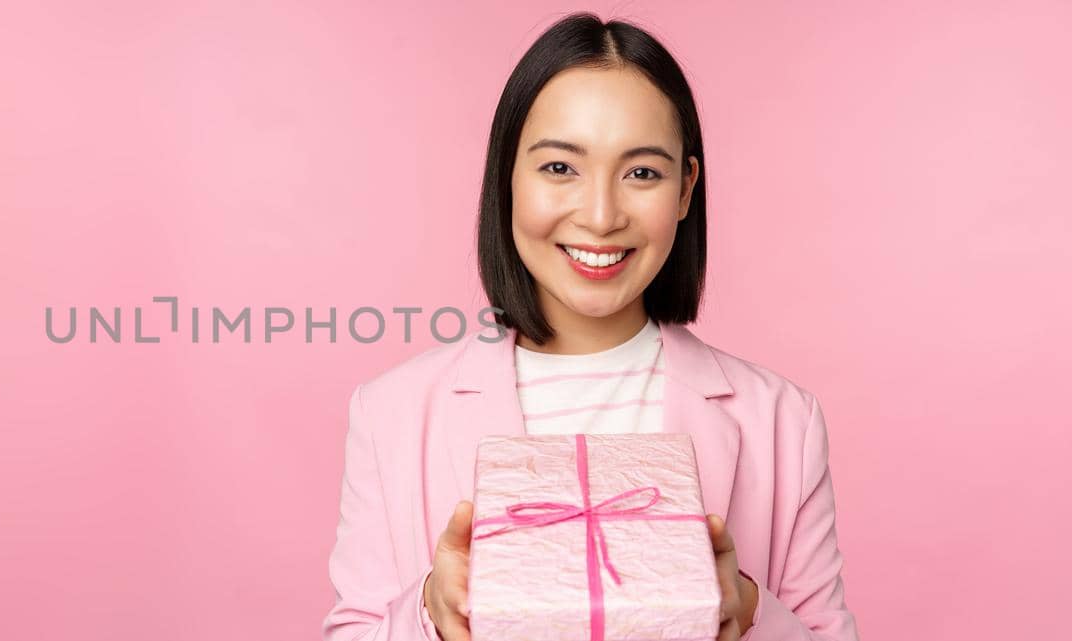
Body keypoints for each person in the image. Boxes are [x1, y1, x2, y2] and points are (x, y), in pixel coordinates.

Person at [320, 12, 860, 641]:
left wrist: (749, 613)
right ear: (507, 177)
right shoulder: (392, 414)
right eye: (559, 168)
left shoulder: (783, 423)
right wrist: (429, 615)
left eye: (642, 173)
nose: (601, 217)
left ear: (686, 190)